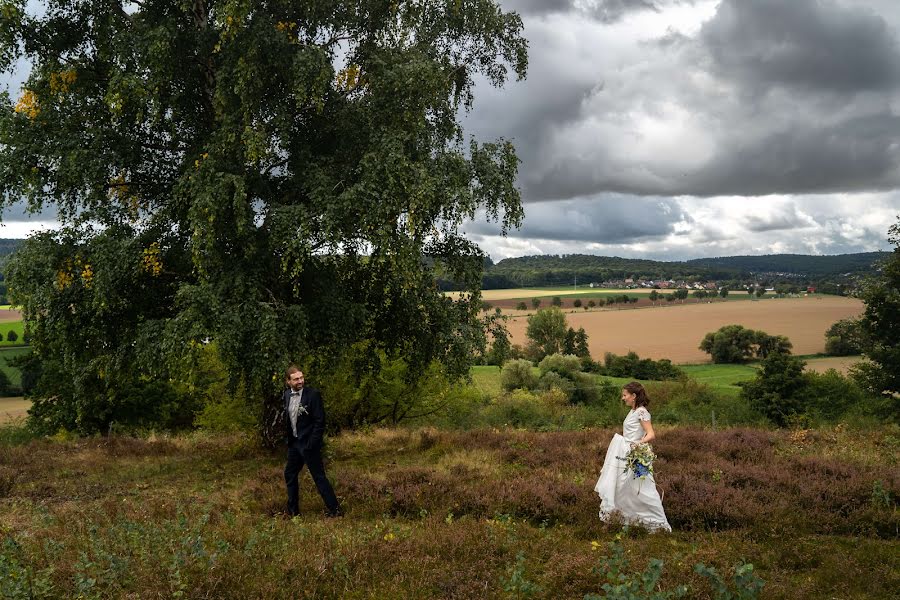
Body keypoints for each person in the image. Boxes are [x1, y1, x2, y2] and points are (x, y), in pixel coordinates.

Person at [594, 381, 671, 532]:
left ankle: (658, 524)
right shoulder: (633, 412)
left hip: (636, 455)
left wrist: (638, 444)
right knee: (622, 487)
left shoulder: (642, 412)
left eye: (625, 395)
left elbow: (651, 434)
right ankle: (616, 520)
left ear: (633, 396)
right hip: (625, 453)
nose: (623, 398)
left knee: (643, 488)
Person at [283, 366, 342, 517]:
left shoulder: (313, 395)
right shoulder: (287, 395)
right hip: (295, 444)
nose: (300, 381)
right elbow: (289, 420)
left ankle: (335, 511)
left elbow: (320, 421)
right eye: (296, 379)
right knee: (289, 474)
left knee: (318, 476)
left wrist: (311, 444)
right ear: (288, 381)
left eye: (301, 378)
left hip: (309, 444)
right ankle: (293, 512)